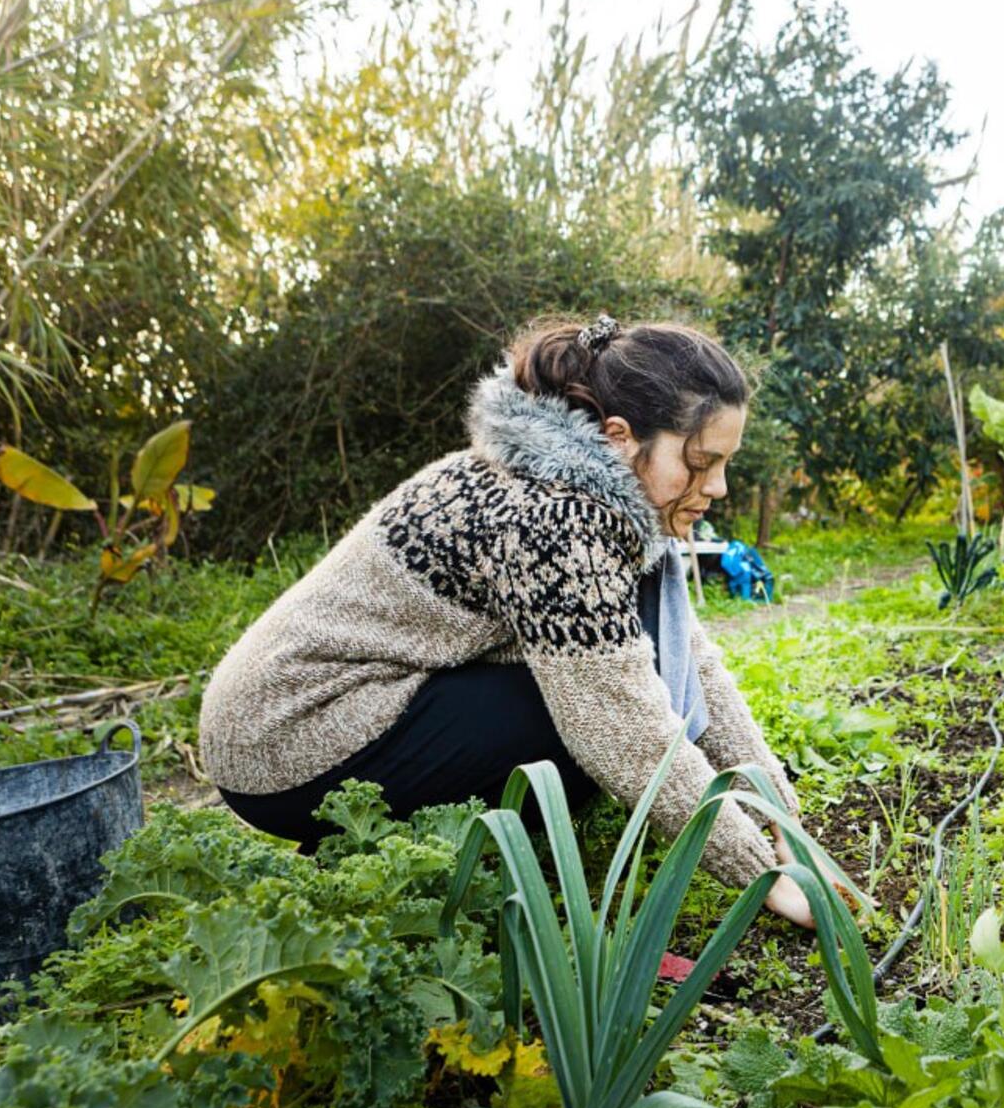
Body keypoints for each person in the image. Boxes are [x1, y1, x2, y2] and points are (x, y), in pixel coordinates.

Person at [199, 315, 838, 927]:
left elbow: (691, 664)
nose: (718, 487)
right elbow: (625, 731)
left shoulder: (592, 490)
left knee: (613, 684)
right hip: (286, 741)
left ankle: (384, 843)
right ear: (620, 437)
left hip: (331, 714)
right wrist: (764, 876)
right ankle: (367, 851)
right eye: (700, 462)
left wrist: (784, 823)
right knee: (584, 721)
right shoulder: (557, 518)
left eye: (725, 463)